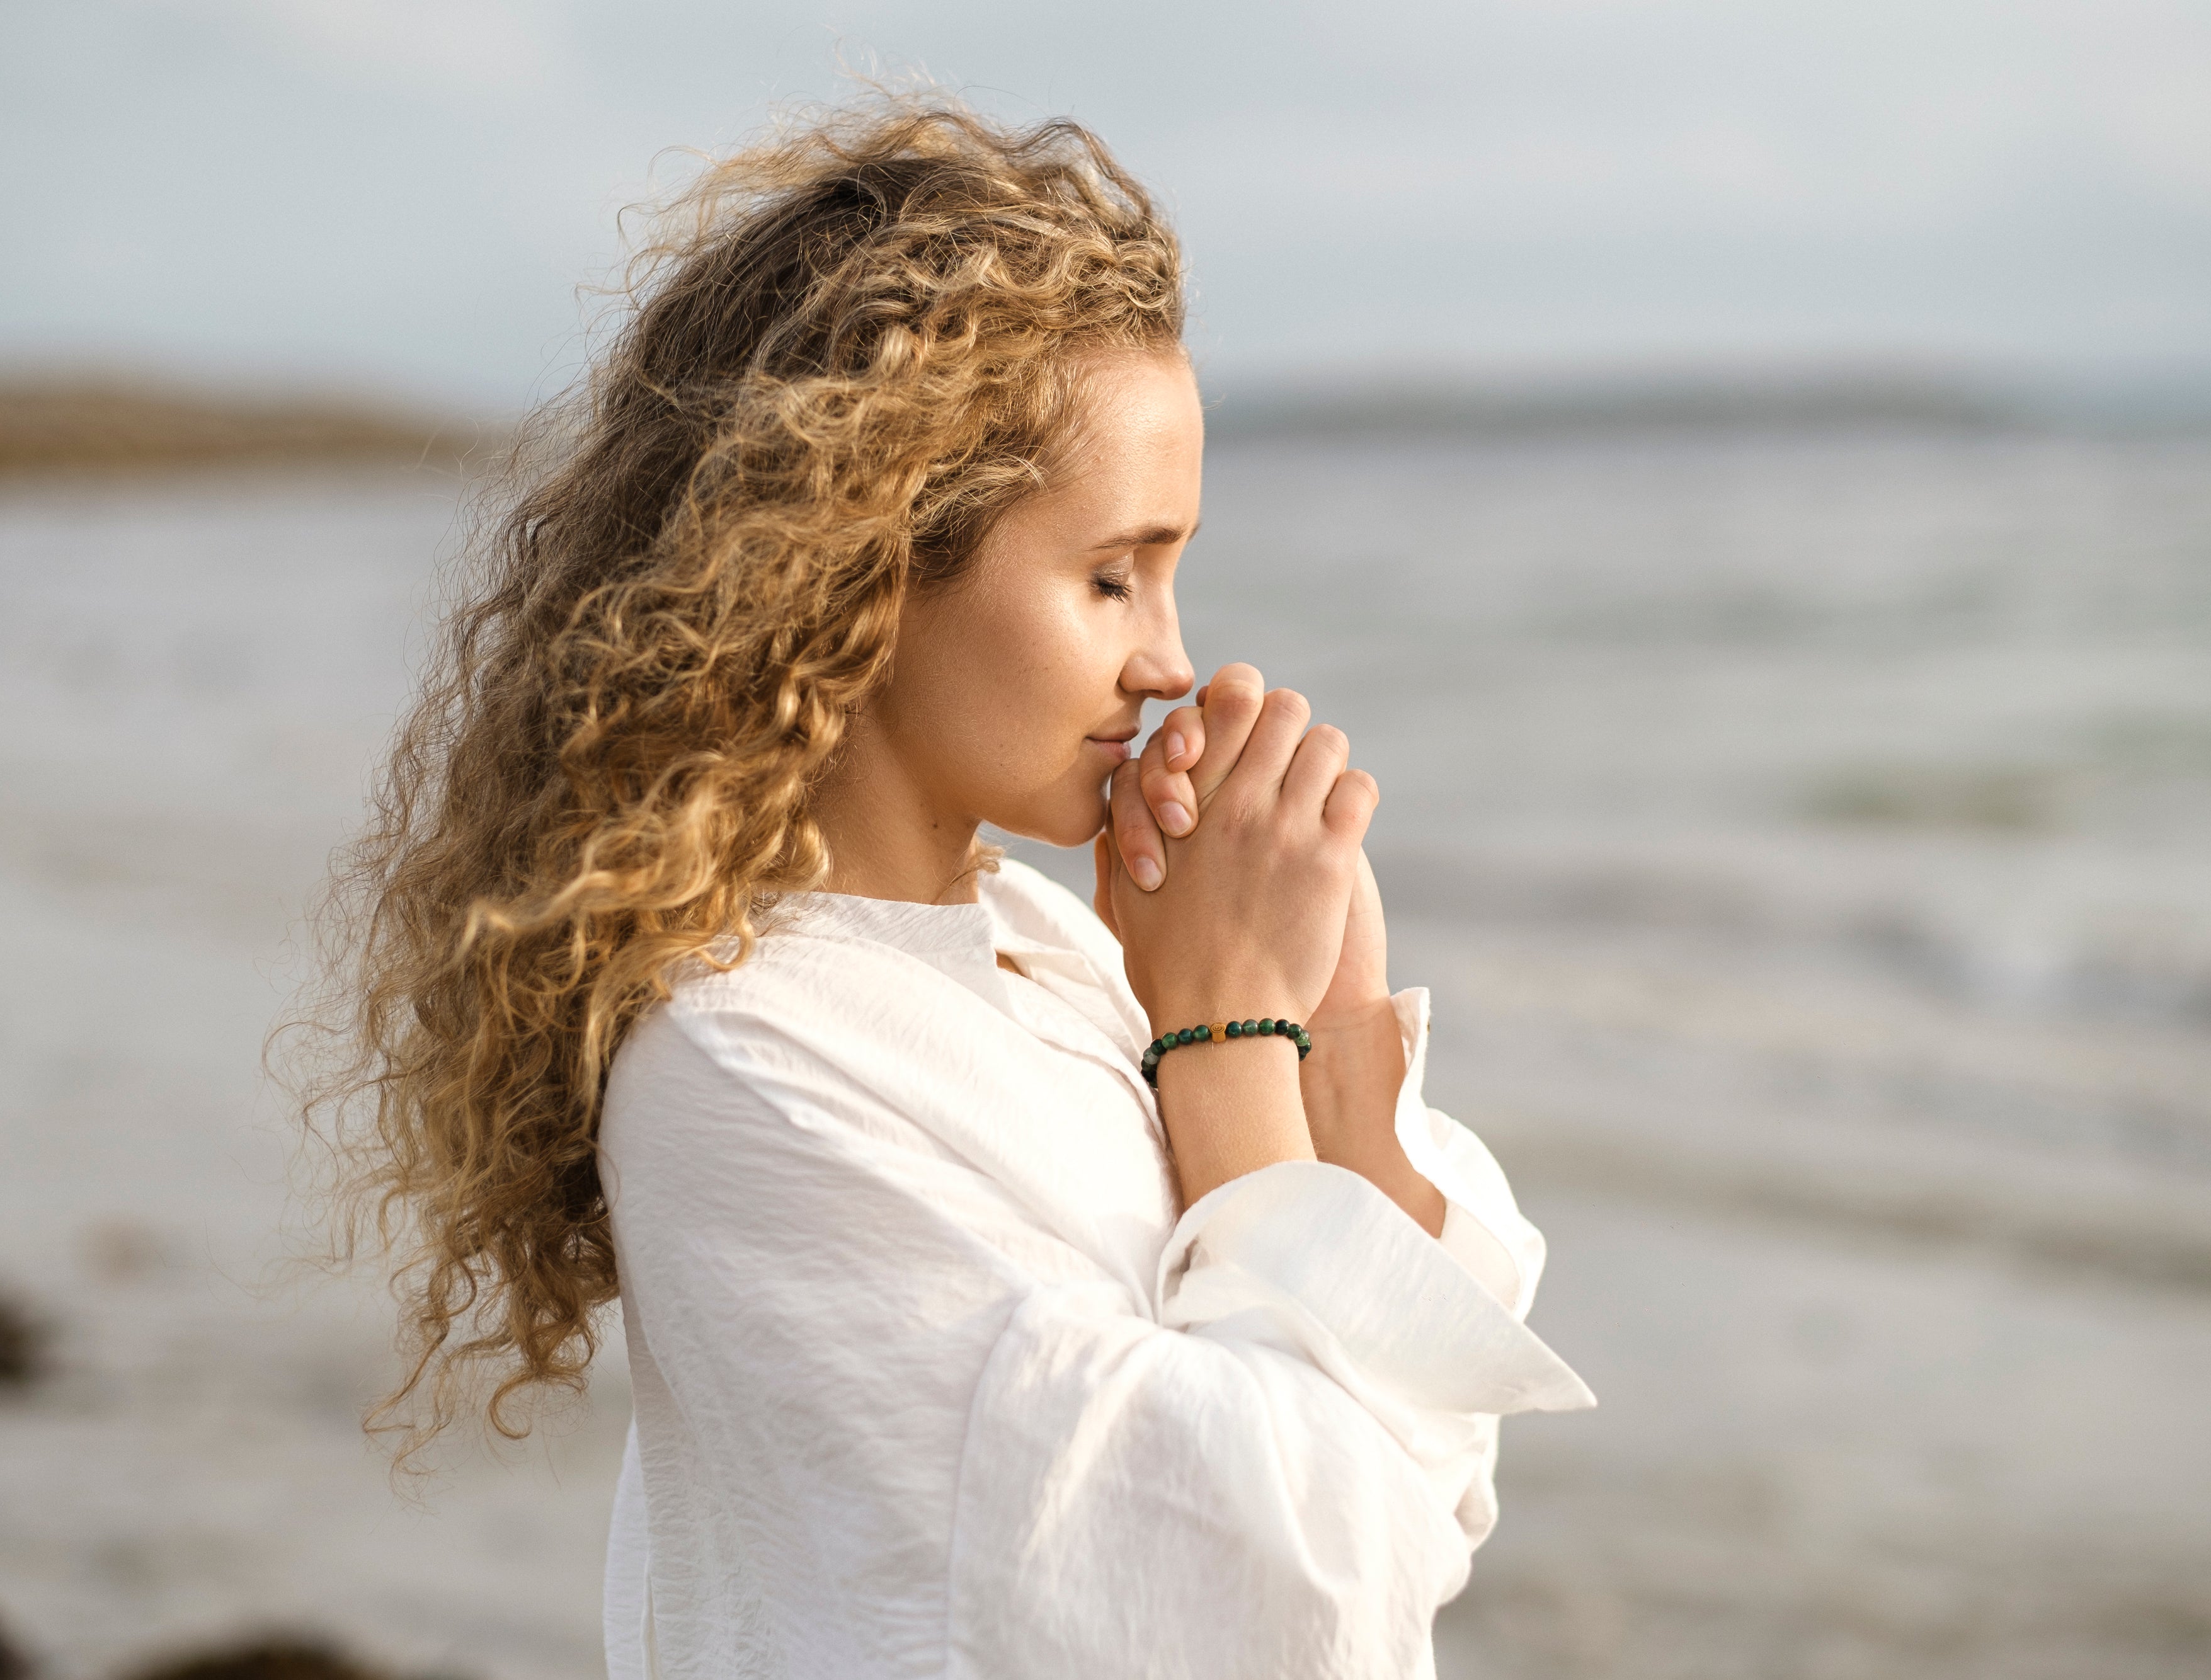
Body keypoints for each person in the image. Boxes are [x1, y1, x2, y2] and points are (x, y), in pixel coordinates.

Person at [307, 94, 1589, 1679]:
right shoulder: (746, 1058)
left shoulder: (1044, 953)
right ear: (850, 563)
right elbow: (1277, 1609)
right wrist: (1224, 1037)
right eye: (1110, 574)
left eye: (1172, 575)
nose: (1169, 659)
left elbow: (1430, 1484)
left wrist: (1329, 1030)